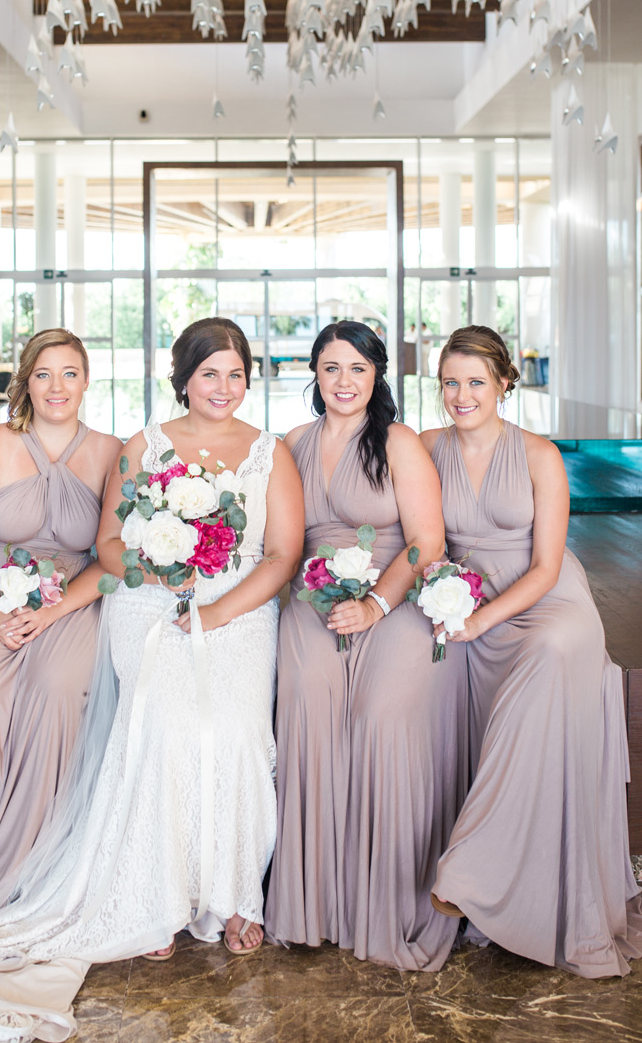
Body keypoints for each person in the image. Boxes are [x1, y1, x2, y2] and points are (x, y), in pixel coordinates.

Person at [0, 317, 304, 1042]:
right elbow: (114, 545)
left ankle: (232, 894)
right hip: (151, 599)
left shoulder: (271, 452)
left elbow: (281, 554)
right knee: (161, 719)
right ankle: (155, 896)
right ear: (182, 377)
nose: (222, 386)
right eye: (209, 372)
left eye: (236, 373)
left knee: (235, 731)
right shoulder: (141, 446)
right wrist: (160, 560)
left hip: (237, 609)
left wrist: (213, 611)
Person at [421, 324, 642, 978]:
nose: (461, 395)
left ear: (504, 384)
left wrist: (481, 618)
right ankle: (500, 886)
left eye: (475, 382)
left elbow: (546, 566)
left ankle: (469, 867)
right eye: (450, 382)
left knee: (551, 649)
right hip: (466, 598)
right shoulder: (427, 447)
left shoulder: (539, 455)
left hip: (544, 601)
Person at [265, 320, 468, 971]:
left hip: (396, 593)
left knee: (381, 715)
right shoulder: (290, 443)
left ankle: (381, 901)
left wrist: (376, 601)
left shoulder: (398, 442)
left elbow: (427, 541)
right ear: (314, 375)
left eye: (356, 367)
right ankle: (313, 904)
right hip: (312, 595)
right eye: (330, 367)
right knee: (306, 699)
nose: (343, 380)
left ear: (376, 374)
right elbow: (277, 541)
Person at [0, 328, 121, 915]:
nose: (57, 387)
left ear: (87, 381)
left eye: (70, 374)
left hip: (72, 602)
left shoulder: (112, 453)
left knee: (59, 691)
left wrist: (56, 609)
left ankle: (38, 868)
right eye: (44, 374)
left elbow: (114, 560)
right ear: (25, 382)